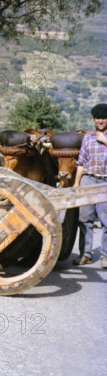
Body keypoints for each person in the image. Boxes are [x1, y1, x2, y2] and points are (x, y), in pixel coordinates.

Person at [72, 103, 107, 269]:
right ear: (94, 119)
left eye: (104, 117)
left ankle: (105, 257)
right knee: (84, 219)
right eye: (98, 117)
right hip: (88, 180)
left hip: (105, 182)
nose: (101, 120)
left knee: (106, 220)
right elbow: (81, 163)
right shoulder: (88, 137)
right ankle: (85, 255)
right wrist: (77, 183)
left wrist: (105, 141)